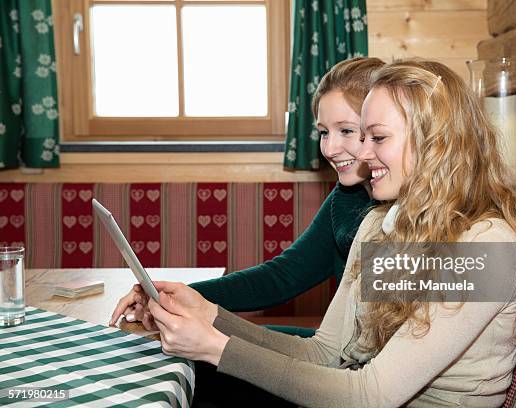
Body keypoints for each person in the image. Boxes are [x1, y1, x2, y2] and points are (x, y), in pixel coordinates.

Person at [144, 59, 516, 407]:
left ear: (436, 144)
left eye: (379, 138)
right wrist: (211, 315)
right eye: (364, 137)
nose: (363, 154)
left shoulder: (488, 247)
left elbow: (369, 396)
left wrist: (216, 348)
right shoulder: (377, 223)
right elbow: (324, 352)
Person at [109, 57, 385, 337]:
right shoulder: (348, 196)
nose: (330, 148)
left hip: (359, 370)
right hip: (341, 353)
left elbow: (379, 357)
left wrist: (210, 329)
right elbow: (282, 276)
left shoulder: (412, 216)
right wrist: (174, 296)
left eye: (347, 131)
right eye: (324, 132)